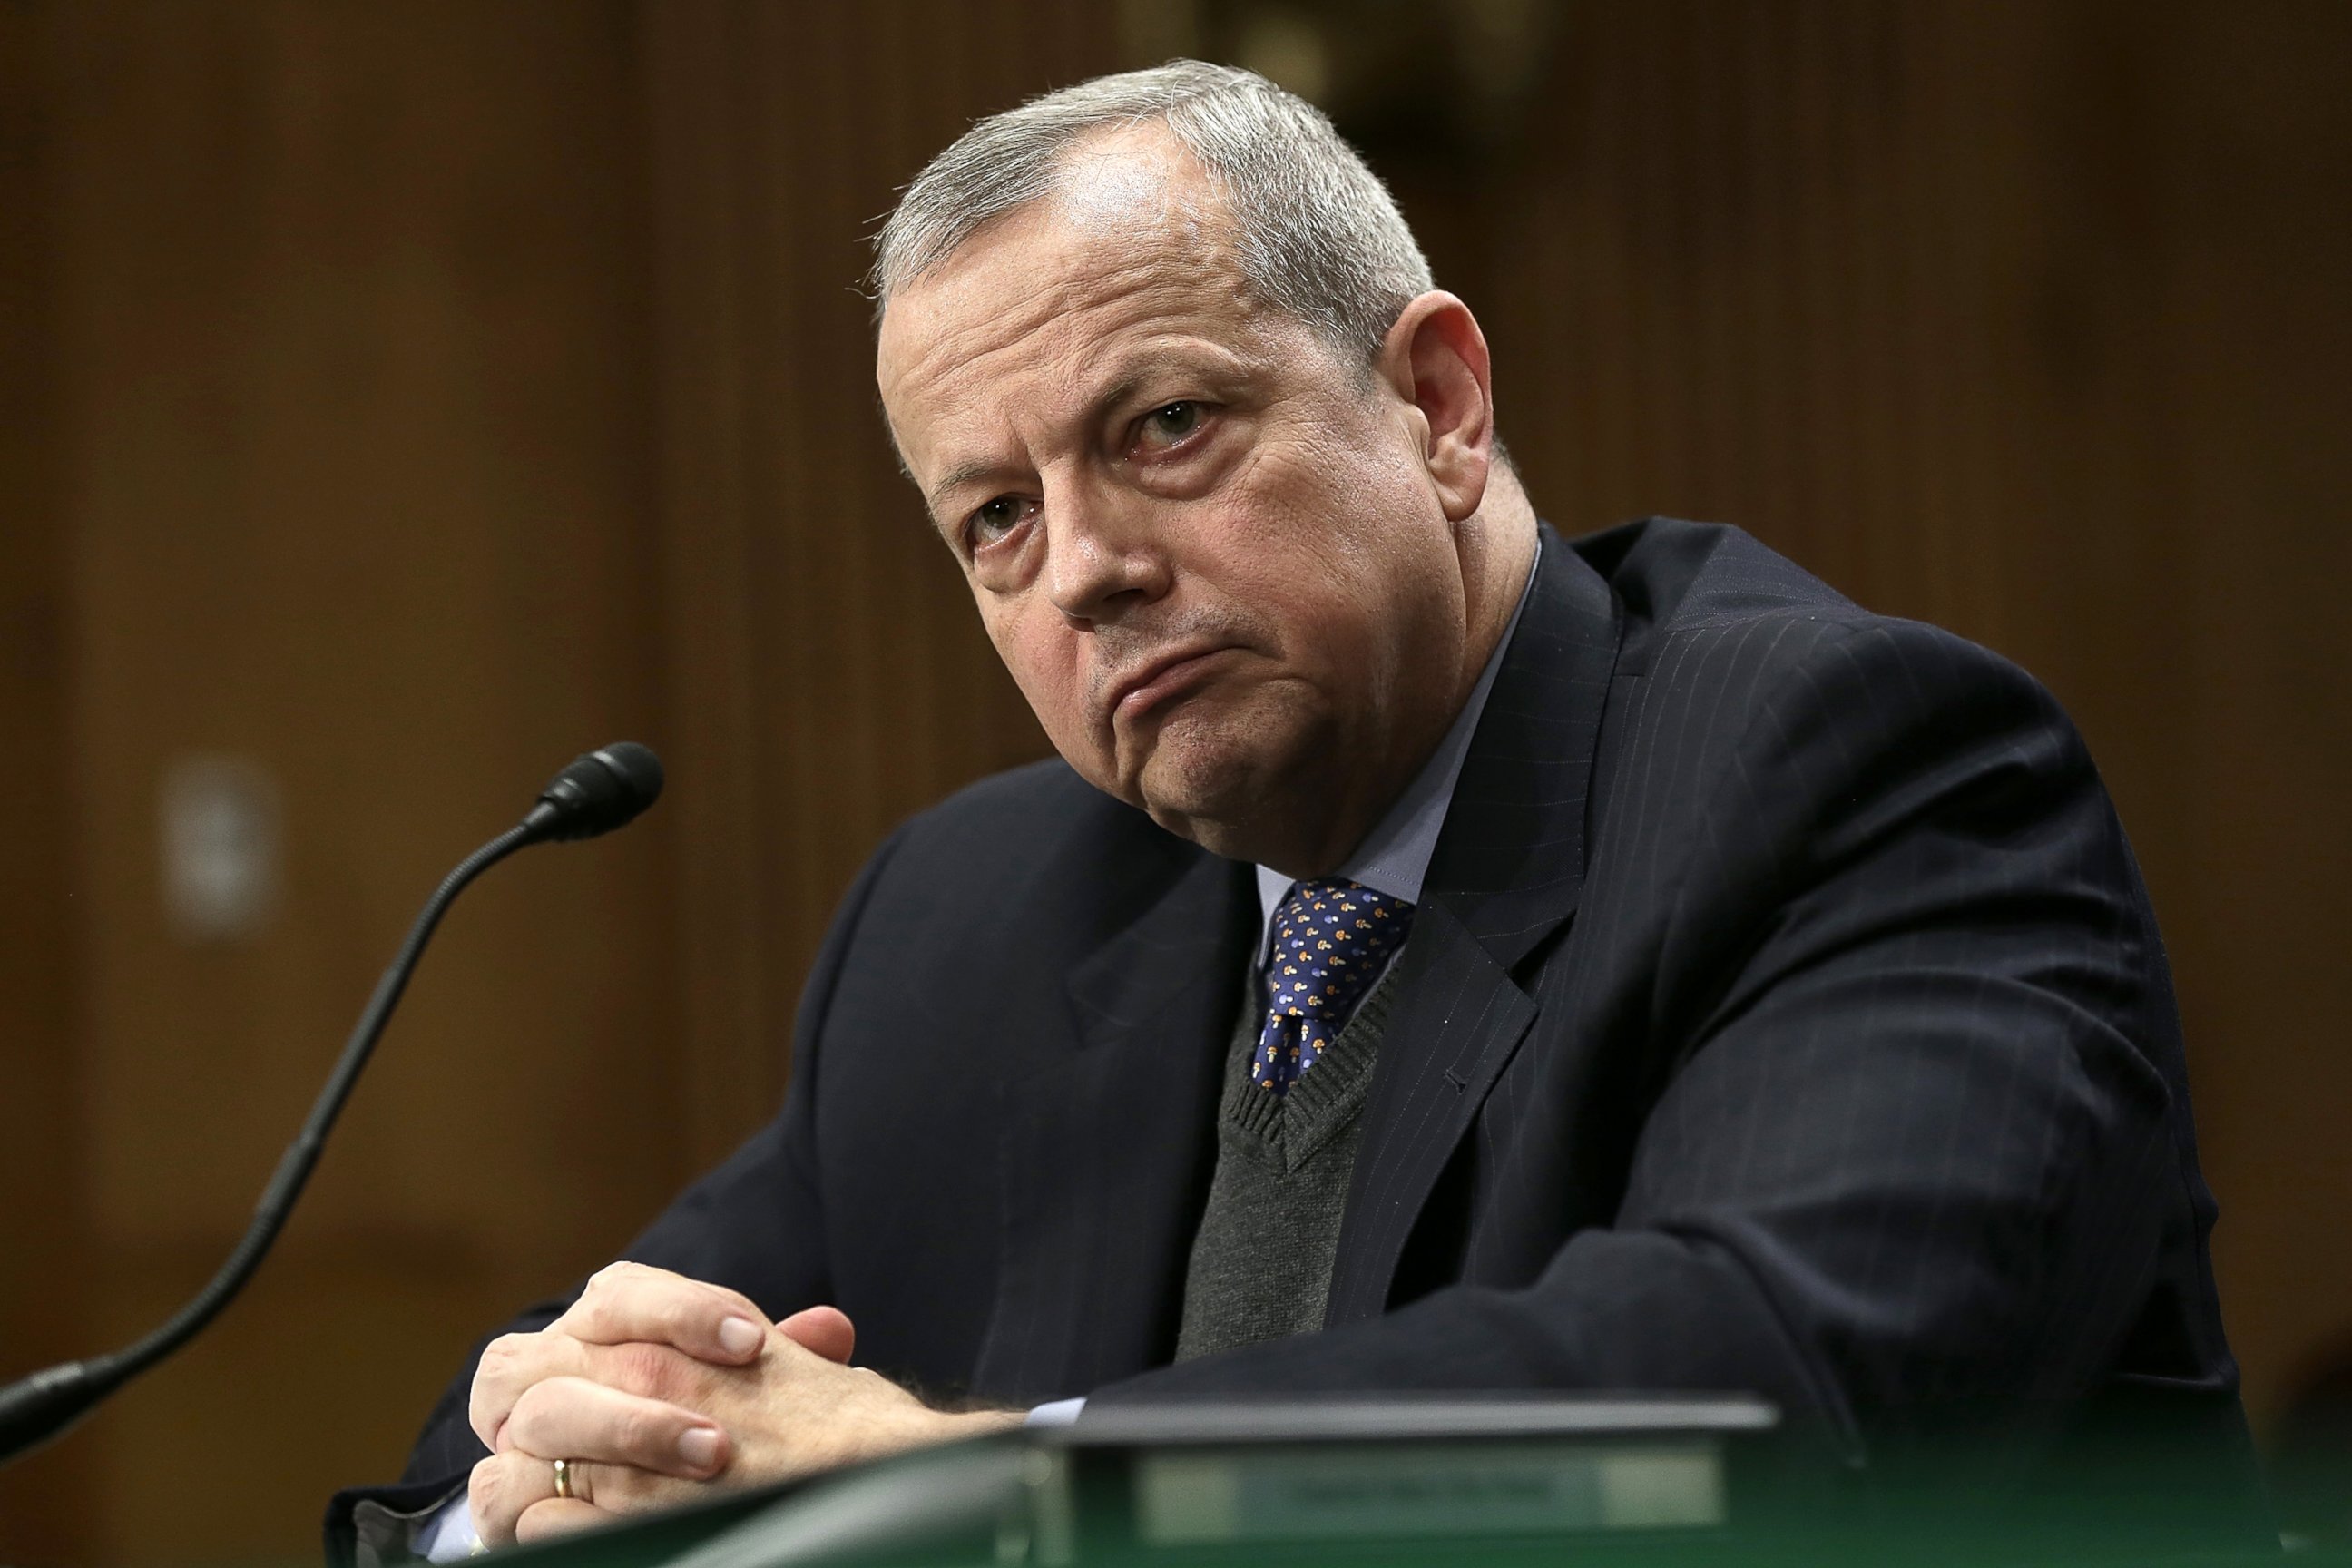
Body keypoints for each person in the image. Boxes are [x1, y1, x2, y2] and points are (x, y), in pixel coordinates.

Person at [329, 62, 2255, 1563]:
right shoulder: (978, 918)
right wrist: (550, 1478)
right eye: (995, 520)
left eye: (1163, 429)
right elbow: (578, 1427)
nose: (1081, 568)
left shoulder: (1849, 771)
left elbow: (1758, 1400)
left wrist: (987, 1498)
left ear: (1436, 402)